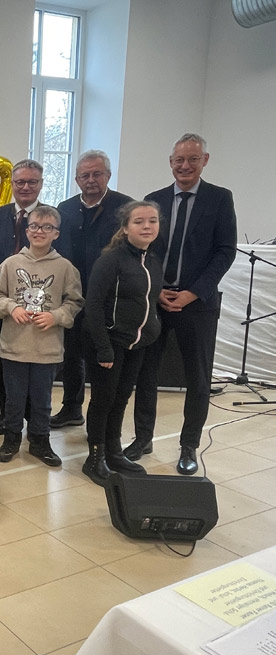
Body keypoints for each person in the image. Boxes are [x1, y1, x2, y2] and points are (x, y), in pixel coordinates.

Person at [126, 133, 237, 475]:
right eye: (179, 160)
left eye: (192, 159)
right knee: (145, 372)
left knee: (198, 378)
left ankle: (188, 445)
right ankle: (143, 438)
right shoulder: (153, 200)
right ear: (170, 162)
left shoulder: (219, 199)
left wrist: (193, 292)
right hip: (157, 300)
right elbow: (145, 249)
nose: (185, 166)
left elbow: (225, 251)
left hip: (198, 303)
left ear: (205, 160)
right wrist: (156, 289)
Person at [0, 206, 83, 466]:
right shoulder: (10, 264)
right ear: (26, 230)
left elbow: (74, 302)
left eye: (47, 227)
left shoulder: (65, 268)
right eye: (34, 226)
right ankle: (12, 438)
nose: (40, 231)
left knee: (42, 399)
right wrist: (12, 307)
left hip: (47, 348)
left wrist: (56, 316)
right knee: (14, 396)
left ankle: (40, 440)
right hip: (14, 345)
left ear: (56, 233)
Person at [51, 150, 132, 429]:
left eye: (97, 174)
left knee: (102, 358)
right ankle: (71, 408)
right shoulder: (65, 208)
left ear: (108, 175)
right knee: (71, 355)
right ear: (76, 179)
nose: (91, 180)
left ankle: (100, 419)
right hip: (73, 295)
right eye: (85, 175)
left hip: (109, 297)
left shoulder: (125, 208)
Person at [82, 202, 161, 484]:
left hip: (137, 344)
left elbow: (149, 300)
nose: (147, 226)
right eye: (139, 221)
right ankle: (95, 456)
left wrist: (152, 329)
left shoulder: (152, 259)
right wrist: (103, 346)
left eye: (152, 221)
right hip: (109, 343)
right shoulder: (112, 259)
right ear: (126, 227)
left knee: (121, 398)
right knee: (103, 400)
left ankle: (114, 450)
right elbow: (93, 305)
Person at [0, 158, 45, 435]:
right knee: (3, 358)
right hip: (0, 303)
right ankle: (8, 415)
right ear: (12, 184)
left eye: (32, 182)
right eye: (20, 181)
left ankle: (34, 417)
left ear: (40, 185)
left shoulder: (51, 219)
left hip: (40, 305)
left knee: (36, 362)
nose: (25, 187)